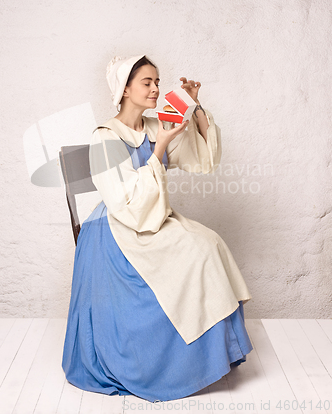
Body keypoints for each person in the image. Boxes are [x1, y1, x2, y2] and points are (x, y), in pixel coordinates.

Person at [62, 54, 253, 402]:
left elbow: (201, 159)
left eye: (157, 81)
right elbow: (124, 202)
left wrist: (194, 107)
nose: (155, 88)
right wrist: (160, 148)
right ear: (125, 89)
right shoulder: (105, 137)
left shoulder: (153, 126)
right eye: (146, 82)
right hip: (117, 227)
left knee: (208, 243)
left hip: (152, 217)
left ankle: (209, 357)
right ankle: (168, 363)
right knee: (196, 252)